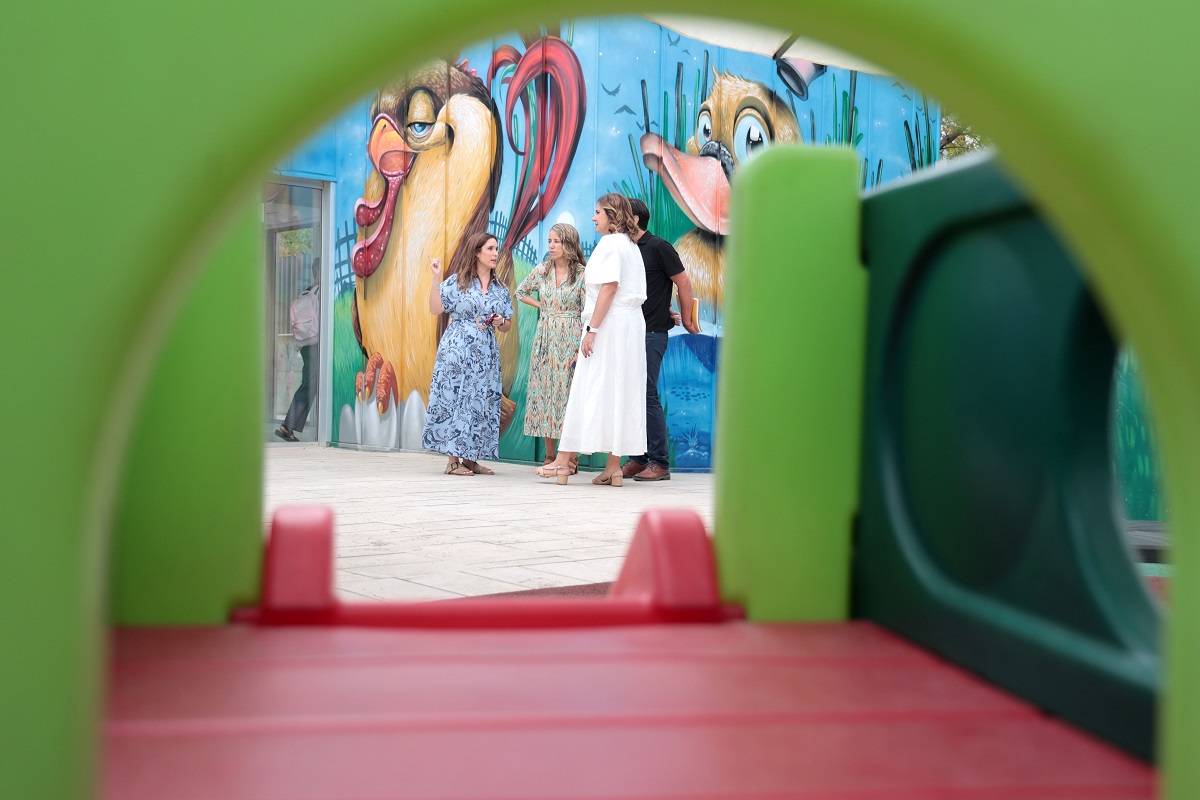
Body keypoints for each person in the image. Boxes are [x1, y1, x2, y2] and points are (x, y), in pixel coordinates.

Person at [535, 194, 647, 486]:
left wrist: (592, 330)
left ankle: (562, 461)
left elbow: (609, 288)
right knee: (620, 390)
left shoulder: (610, 245)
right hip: (630, 325)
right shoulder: (631, 246)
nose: (594, 217)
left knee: (587, 386)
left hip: (610, 325)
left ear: (611, 215)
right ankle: (614, 466)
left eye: (598, 212)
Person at [619, 198, 701, 482]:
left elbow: (684, 283)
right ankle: (638, 459)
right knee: (631, 395)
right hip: (628, 332)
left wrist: (688, 319)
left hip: (652, 334)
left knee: (646, 394)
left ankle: (660, 462)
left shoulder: (659, 247)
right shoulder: (626, 250)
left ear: (635, 220)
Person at [421, 232, 514, 475]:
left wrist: (501, 321)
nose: (496, 254)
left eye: (496, 249)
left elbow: (507, 325)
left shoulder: (500, 288)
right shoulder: (457, 282)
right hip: (458, 349)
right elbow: (435, 308)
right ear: (476, 252)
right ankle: (452, 461)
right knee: (456, 398)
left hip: (486, 352)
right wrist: (436, 277)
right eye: (490, 249)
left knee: (480, 401)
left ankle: (471, 459)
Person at [514, 222, 586, 473]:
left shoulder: (582, 274)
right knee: (544, 393)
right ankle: (549, 455)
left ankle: (570, 457)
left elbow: (588, 310)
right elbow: (520, 292)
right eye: (550, 241)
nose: (552, 246)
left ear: (569, 243)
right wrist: (543, 307)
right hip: (545, 336)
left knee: (567, 395)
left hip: (571, 336)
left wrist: (581, 342)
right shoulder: (542, 270)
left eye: (557, 241)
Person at [276, 257, 321, 442]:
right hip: (316, 345)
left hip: (305, 344)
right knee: (309, 386)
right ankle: (287, 426)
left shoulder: (307, 292)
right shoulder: (320, 293)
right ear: (319, 272)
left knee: (310, 385)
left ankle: (289, 426)